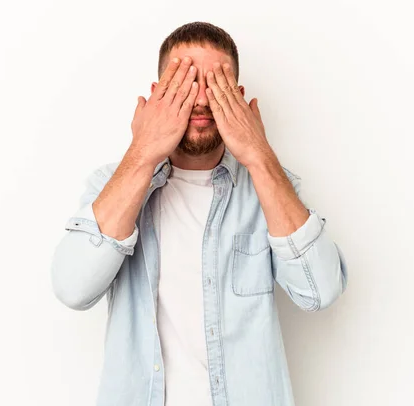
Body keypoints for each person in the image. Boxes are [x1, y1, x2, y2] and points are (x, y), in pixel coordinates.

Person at [51, 21, 348, 406]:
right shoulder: (112, 184)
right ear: (157, 95)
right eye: (185, 82)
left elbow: (321, 291)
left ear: (239, 98)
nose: (202, 99)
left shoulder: (270, 186)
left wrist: (258, 154)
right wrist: (143, 152)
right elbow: (72, 288)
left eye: (216, 83)